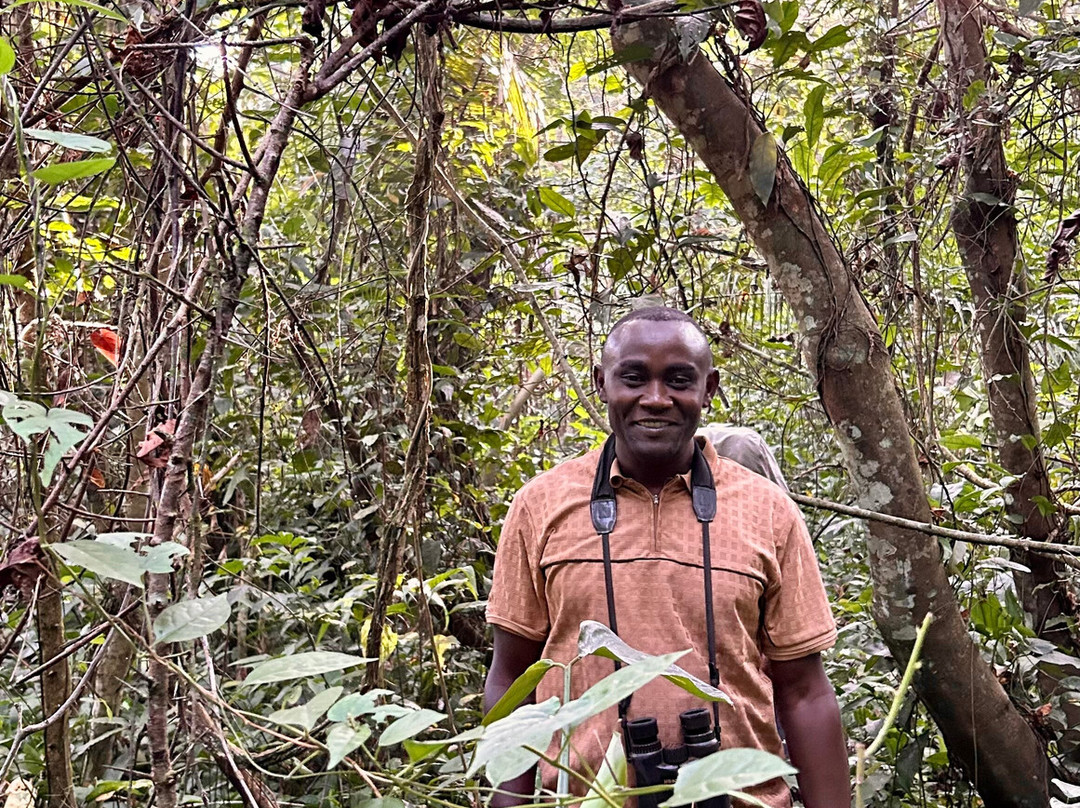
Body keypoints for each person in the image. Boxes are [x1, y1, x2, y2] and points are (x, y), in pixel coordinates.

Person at [484, 306, 849, 807]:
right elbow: (511, 678)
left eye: (679, 380)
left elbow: (804, 691)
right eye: (633, 378)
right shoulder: (541, 505)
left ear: (709, 388)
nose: (655, 399)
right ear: (601, 383)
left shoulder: (768, 511)